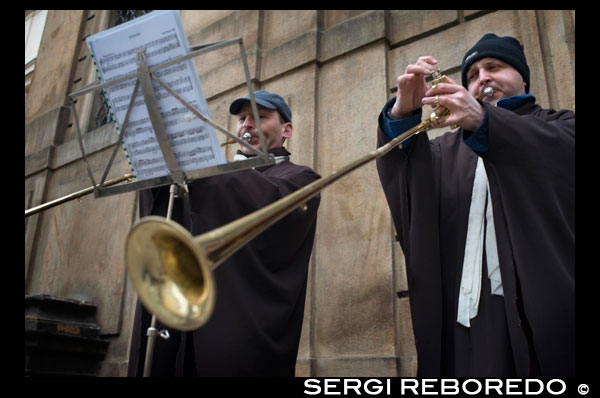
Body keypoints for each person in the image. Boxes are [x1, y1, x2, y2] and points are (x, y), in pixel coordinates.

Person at [375, 33, 574, 377]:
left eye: (494, 67)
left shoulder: (560, 125)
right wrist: (402, 115)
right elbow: (410, 182)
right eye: (472, 75)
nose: (482, 78)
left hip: (536, 315)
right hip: (460, 320)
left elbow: (553, 156)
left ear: (522, 77)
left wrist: (485, 123)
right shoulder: (445, 151)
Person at [127, 90, 321, 376]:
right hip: (183, 319)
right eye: (242, 118)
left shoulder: (301, 178)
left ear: (286, 130)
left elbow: (262, 203)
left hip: (236, 330)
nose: (247, 125)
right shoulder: (214, 174)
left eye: (260, 117)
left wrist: (203, 164)